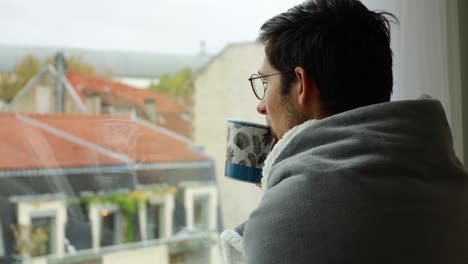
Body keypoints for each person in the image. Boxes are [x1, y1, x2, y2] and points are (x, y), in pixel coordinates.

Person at [220, 0, 468, 263]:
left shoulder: (286, 220)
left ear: (301, 84)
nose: (261, 106)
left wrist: (282, 197)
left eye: (265, 83)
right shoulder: (448, 180)